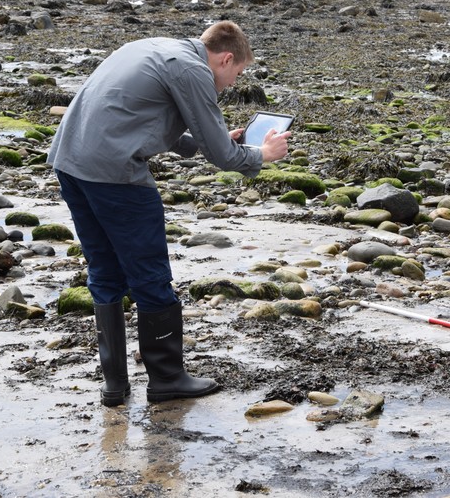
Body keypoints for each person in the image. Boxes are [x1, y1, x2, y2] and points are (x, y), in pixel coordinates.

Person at [47, 21, 291, 407]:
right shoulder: (193, 70)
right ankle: (167, 378)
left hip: (71, 161)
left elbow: (145, 115)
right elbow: (224, 159)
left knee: (104, 270)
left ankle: (114, 385)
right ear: (226, 58)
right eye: (237, 74)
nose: (231, 83)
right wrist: (263, 154)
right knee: (149, 273)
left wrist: (209, 139)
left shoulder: (153, 47)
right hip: (115, 173)